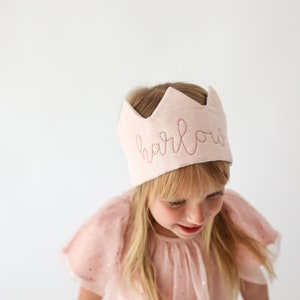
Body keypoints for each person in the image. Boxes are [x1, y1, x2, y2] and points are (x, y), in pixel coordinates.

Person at [61, 82, 279, 300]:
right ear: (145, 190)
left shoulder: (232, 221)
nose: (198, 216)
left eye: (213, 194)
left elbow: (256, 292)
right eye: (176, 202)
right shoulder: (115, 230)